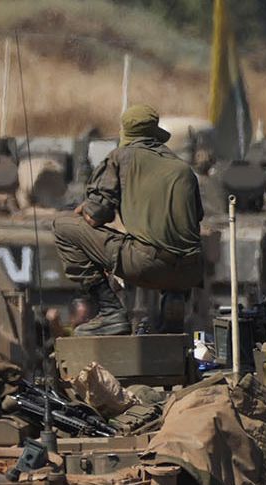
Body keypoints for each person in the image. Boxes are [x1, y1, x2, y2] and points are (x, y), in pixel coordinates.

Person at [53, 104, 205, 336]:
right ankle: (173, 305)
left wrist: (84, 208)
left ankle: (110, 311)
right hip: (190, 272)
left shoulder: (120, 158)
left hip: (147, 265)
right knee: (167, 242)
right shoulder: (182, 168)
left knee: (63, 227)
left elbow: (96, 216)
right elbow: (192, 220)